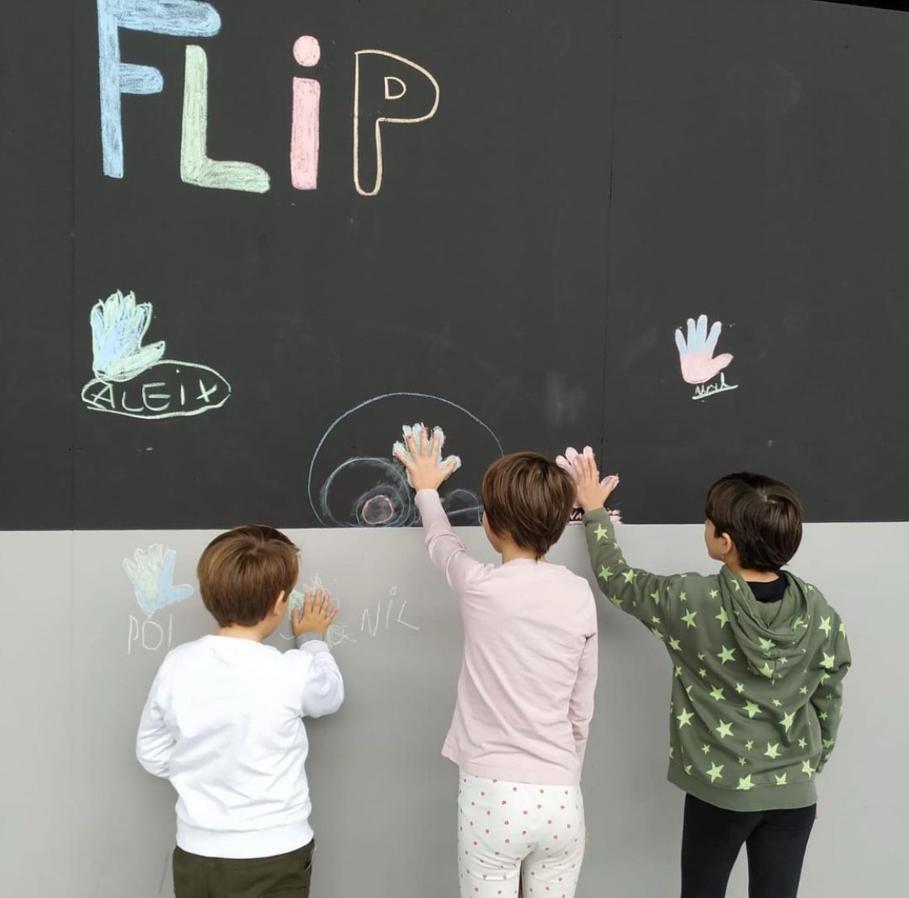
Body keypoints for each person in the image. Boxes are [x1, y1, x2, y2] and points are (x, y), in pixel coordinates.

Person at [566, 449, 850, 898]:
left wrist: (595, 512)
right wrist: (809, 768)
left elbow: (616, 579)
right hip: (794, 793)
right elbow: (829, 698)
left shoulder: (691, 599)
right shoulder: (819, 610)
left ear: (725, 542)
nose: (705, 526)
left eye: (708, 521)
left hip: (720, 793)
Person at [394, 427, 598, 898]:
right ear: (558, 525)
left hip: (494, 799)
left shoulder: (479, 586)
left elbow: (442, 544)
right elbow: (580, 711)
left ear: (490, 524)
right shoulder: (579, 594)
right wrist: (570, 790)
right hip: (561, 800)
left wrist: (426, 490)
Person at [136, 525, 344, 898]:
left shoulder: (177, 664)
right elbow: (330, 695)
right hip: (275, 853)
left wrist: (198, 766)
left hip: (197, 853)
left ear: (208, 595)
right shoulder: (291, 671)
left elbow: (149, 751)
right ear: (280, 603)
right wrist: (312, 641)